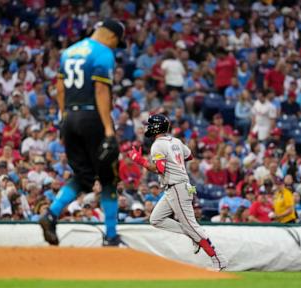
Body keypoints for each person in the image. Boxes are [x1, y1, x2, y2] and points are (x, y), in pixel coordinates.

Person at [39, 19, 126, 246]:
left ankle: (51, 214)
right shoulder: (104, 53)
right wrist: (109, 130)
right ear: (111, 36)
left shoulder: (69, 52)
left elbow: (59, 87)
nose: (116, 46)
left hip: (70, 118)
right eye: (117, 42)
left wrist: (63, 116)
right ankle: (111, 235)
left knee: (83, 176)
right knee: (108, 178)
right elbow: (100, 90)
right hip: (92, 118)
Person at [128, 114, 228, 271]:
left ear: (156, 127)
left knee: (191, 225)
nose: (149, 127)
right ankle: (192, 236)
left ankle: (218, 259)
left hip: (176, 186)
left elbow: (160, 169)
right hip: (179, 186)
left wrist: (140, 161)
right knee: (156, 219)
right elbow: (190, 156)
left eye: (151, 124)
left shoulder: (157, 145)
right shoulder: (176, 141)